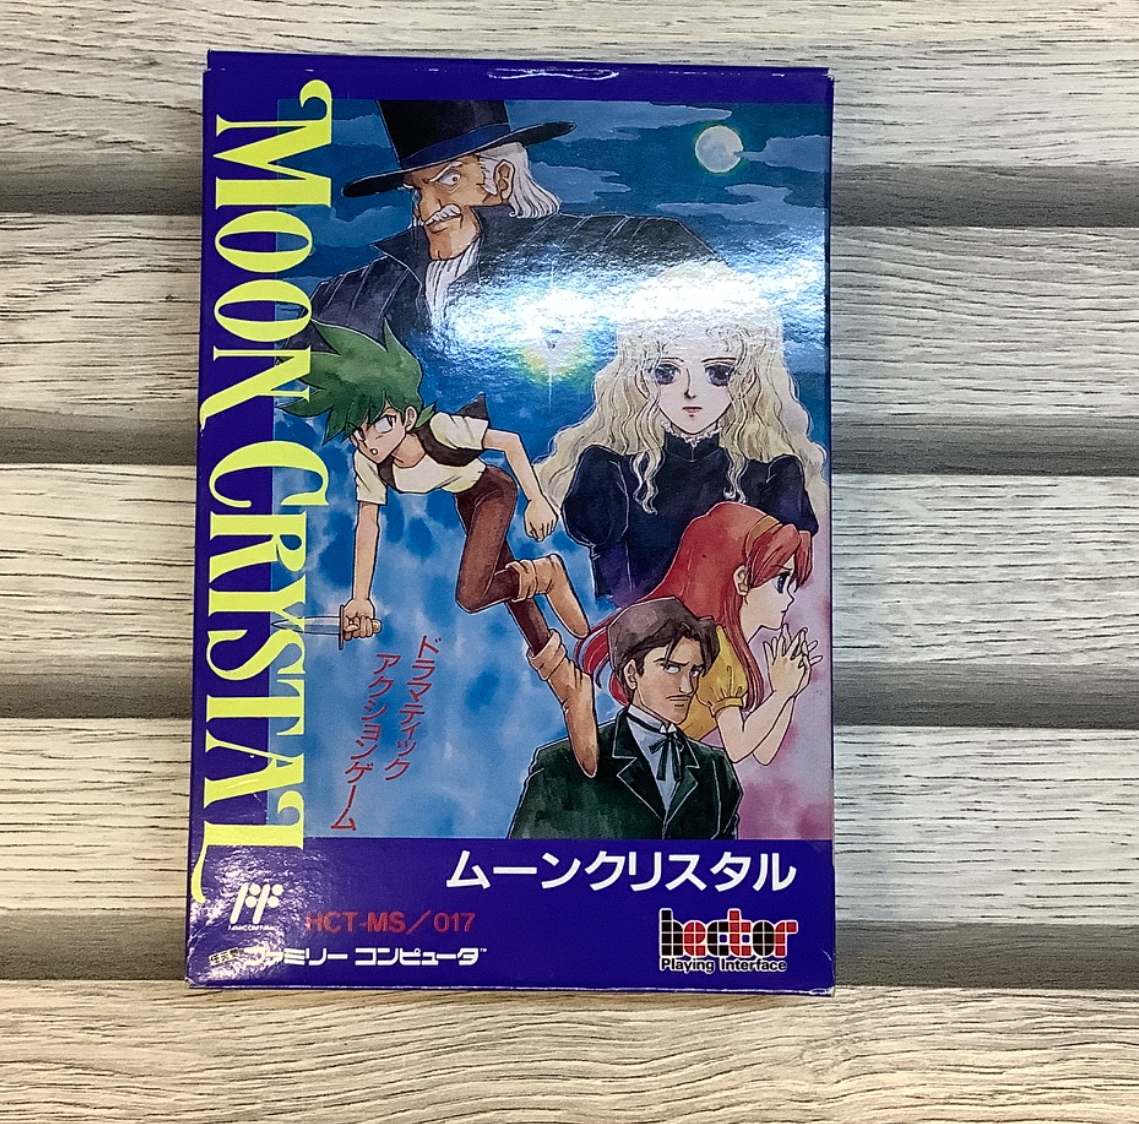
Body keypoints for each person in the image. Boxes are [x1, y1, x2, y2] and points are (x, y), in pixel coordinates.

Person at [285, 320, 598, 769]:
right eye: (358, 432)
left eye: (381, 424)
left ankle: (544, 573)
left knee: (472, 593)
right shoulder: (369, 463)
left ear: (407, 416)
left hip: (493, 491)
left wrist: (536, 500)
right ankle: (567, 682)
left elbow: (509, 442)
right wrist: (359, 598)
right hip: (465, 501)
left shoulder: (443, 430)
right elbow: (367, 524)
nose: (370, 442)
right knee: (509, 597)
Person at [311, 99, 718, 357]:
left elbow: (682, 258)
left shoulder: (589, 247)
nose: (426, 208)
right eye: (416, 190)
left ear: (502, 178)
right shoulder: (359, 291)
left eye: (450, 179)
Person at [540, 268, 828, 606]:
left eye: (718, 372)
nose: (691, 391)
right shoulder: (609, 469)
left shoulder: (774, 475)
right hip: (637, 632)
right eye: (666, 372)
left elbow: (783, 589)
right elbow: (611, 595)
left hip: (736, 632)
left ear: (748, 379)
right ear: (639, 378)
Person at [578, 503, 820, 767]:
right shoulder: (719, 652)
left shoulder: (736, 653)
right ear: (742, 579)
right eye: (781, 582)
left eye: (793, 584)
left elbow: (764, 753)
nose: (790, 597)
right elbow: (737, 747)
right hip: (643, 758)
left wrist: (789, 692)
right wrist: (781, 694)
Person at [509, 598, 741, 840]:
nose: (687, 687)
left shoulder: (715, 769)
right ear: (631, 674)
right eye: (671, 668)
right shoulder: (561, 765)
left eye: (695, 671)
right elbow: (523, 859)